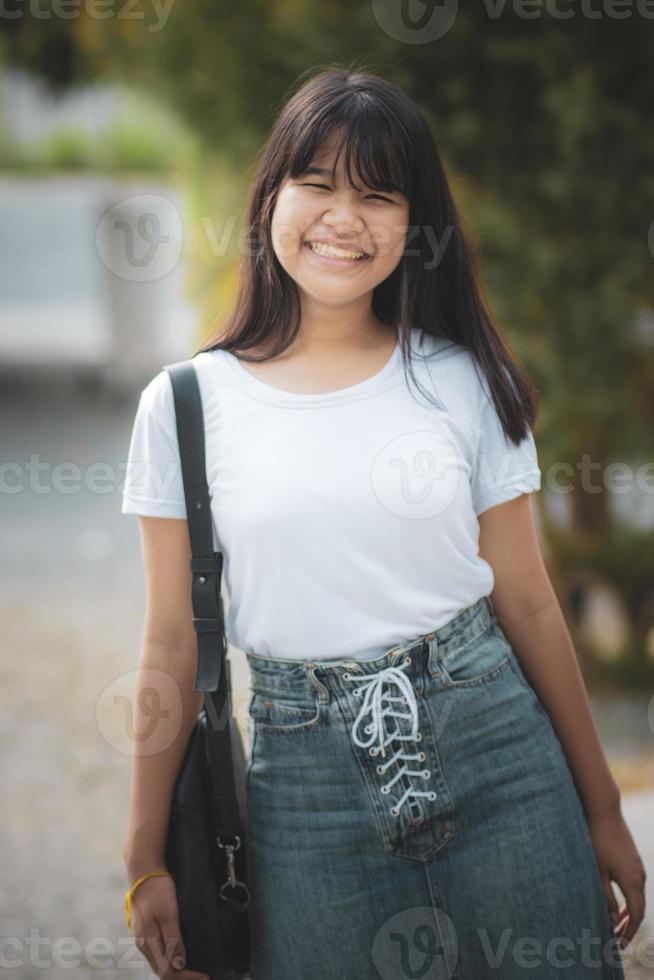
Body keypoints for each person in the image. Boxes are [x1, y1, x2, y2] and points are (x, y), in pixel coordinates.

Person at [120, 66, 645, 980]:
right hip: (305, 796)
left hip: (502, 758)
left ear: (415, 224)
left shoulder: (458, 378)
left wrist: (602, 807)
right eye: (316, 184)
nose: (343, 216)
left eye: (378, 193)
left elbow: (526, 601)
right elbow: (168, 643)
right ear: (269, 197)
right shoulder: (185, 406)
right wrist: (144, 859)